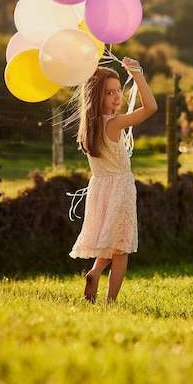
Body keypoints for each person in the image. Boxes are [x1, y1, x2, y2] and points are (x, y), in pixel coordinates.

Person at [69, 57, 158, 302]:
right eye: (109, 92)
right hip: (120, 187)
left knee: (110, 239)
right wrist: (137, 74)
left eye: (119, 90)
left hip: (99, 188)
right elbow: (150, 108)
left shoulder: (89, 126)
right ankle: (111, 301)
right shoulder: (115, 123)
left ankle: (95, 272)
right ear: (96, 96)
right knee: (121, 247)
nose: (117, 96)